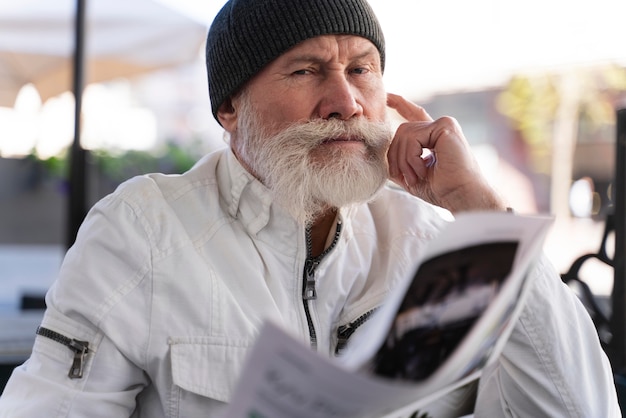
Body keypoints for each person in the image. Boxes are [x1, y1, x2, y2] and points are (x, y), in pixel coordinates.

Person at [0, 0, 620, 416]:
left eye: (362, 69)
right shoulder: (143, 231)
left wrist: (483, 212)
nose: (344, 101)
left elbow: (580, 407)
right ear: (230, 109)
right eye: (305, 70)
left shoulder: (437, 241)